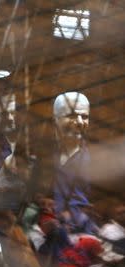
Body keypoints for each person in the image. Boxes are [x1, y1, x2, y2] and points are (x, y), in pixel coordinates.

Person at [52, 91, 98, 234]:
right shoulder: (47, 158)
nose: (79, 122)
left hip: (84, 233)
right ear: (56, 119)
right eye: (71, 115)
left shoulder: (96, 158)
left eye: (84, 116)